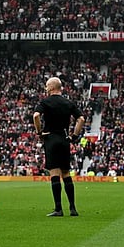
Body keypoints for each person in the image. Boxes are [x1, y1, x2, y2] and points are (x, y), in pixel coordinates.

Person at [33, 77, 85, 217]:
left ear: (51, 87)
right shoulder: (68, 102)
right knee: (66, 173)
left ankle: (58, 209)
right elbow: (81, 119)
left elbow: (36, 116)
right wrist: (74, 136)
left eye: (46, 86)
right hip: (64, 138)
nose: (45, 88)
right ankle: (73, 208)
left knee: (54, 174)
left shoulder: (45, 102)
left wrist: (39, 132)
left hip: (51, 138)